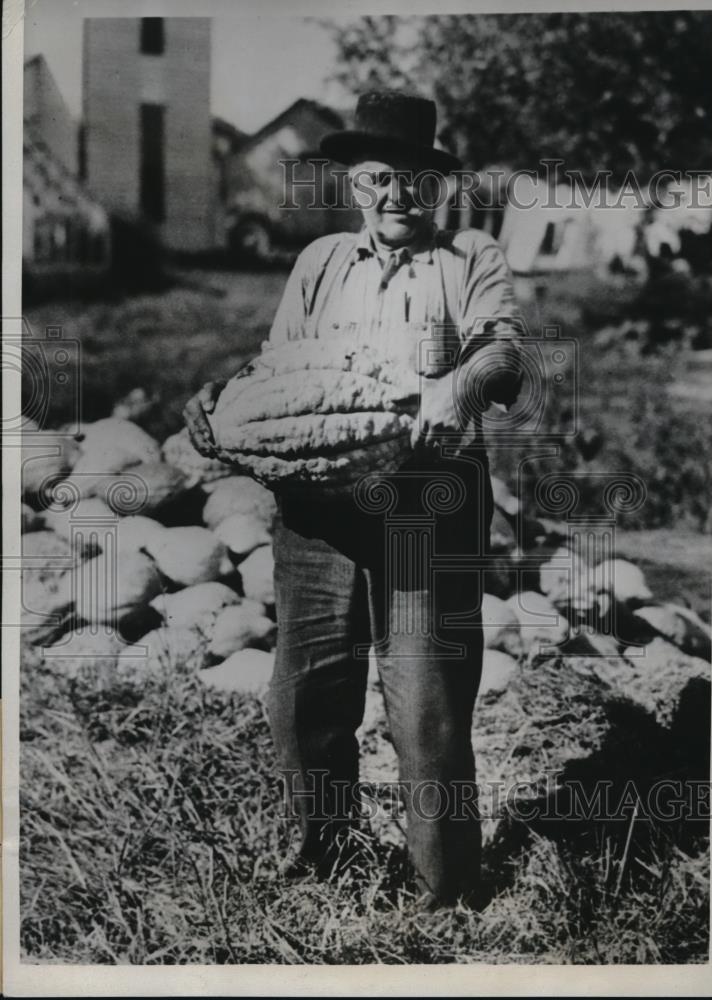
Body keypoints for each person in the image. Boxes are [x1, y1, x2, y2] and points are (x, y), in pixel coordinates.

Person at [184, 90, 524, 908]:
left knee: (425, 702)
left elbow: (504, 352)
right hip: (320, 501)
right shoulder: (321, 263)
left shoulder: (470, 256)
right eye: (377, 179)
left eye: (412, 178)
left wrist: (461, 386)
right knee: (307, 691)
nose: (395, 196)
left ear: (436, 185)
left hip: (428, 501)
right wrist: (223, 402)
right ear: (353, 184)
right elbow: (282, 371)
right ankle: (322, 862)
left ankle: (443, 895)